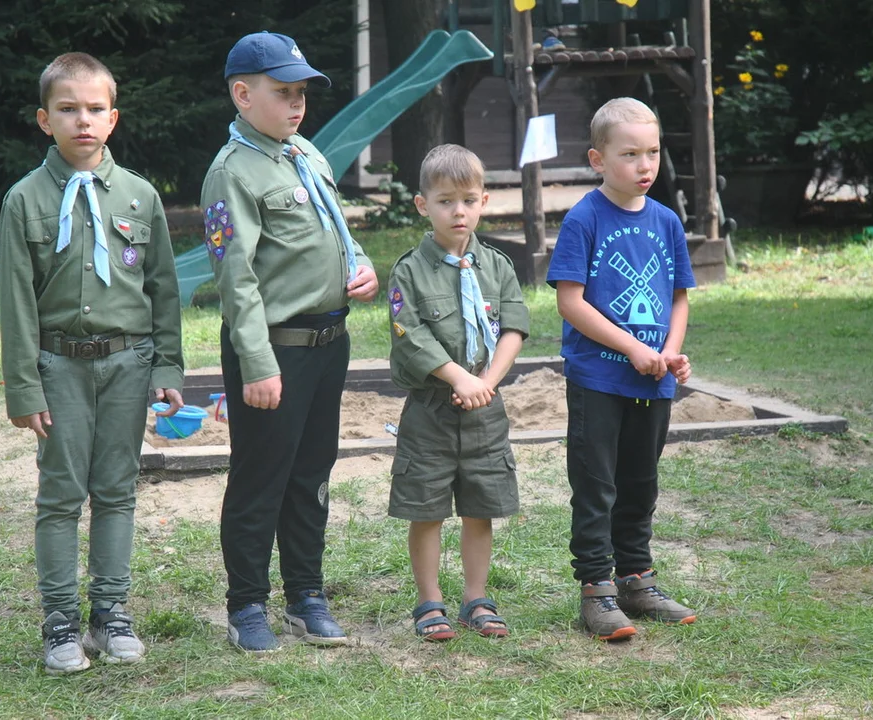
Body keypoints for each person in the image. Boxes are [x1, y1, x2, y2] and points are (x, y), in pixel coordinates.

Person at [0, 52, 185, 674]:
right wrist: (24, 387)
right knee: (59, 496)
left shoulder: (140, 196)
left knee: (116, 492)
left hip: (128, 364)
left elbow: (163, 290)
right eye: (68, 109)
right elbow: (16, 302)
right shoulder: (23, 200)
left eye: (95, 109)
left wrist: (166, 370)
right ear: (44, 120)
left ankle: (110, 613)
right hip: (59, 367)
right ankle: (59, 622)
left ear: (113, 117)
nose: (83, 121)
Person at [199, 32, 379, 654]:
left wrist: (361, 264)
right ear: (243, 95)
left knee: (311, 474)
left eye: (302, 92)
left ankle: (307, 596)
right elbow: (236, 279)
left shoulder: (305, 152)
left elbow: (332, 227)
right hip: (274, 350)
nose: (297, 104)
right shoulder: (232, 173)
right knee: (261, 479)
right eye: (283, 93)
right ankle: (247, 605)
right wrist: (256, 363)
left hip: (329, 342)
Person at [545, 97, 697, 641]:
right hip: (598, 379)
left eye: (652, 152)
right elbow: (571, 301)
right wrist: (631, 346)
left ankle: (637, 580)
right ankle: (597, 590)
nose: (644, 164)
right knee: (596, 484)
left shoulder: (666, 221)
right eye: (629, 153)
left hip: (653, 383)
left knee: (641, 482)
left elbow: (679, 297)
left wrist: (670, 351)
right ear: (597, 159)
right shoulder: (585, 217)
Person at [387, 144, 530, 641]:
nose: (459, 211)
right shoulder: (408, 271)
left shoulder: (498, 266)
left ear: (484, 201)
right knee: (426, 509)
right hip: (431, 409)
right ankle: (429, 601)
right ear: (423, 205)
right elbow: (411, 333)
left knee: (480, 505)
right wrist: (459, 378)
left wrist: (485, 383)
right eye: (446, 201)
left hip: (486, 409)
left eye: (469, 199)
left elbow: (513, 327)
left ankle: (476, 598)